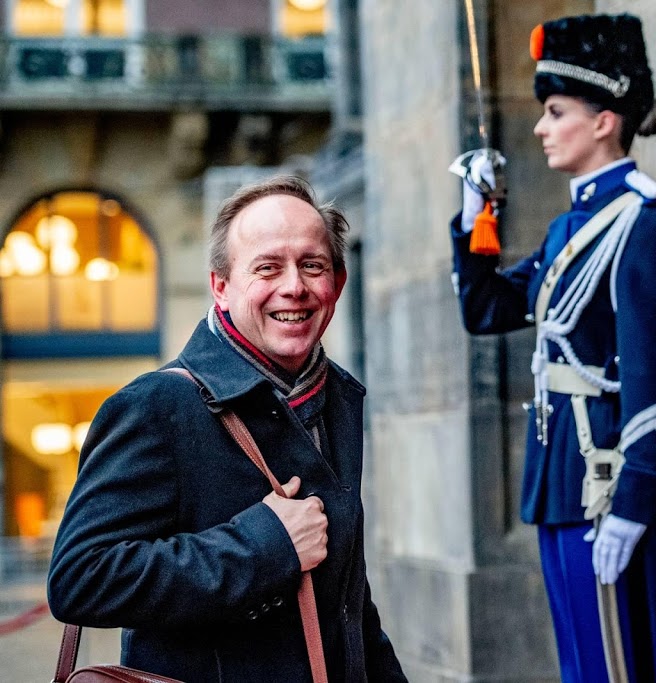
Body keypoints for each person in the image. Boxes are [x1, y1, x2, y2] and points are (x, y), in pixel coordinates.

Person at [48, 176, 406, 682]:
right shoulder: (156, 405)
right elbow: (81, 579)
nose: (294, 287)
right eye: (267, 267)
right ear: (221, 287)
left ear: (338, 283)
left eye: (313, 265)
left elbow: (348, 609)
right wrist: (266, 546)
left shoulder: (336, 398)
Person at [449, 13, 656, 683]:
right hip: (562, 478)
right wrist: (473, 215)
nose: (540, 127)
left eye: (556, 111)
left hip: (608, 483)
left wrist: (634, 502)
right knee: (584, 668)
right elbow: (488, 308)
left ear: (605, 119)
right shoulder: (571, 227)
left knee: (621, 667)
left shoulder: (643, 225)